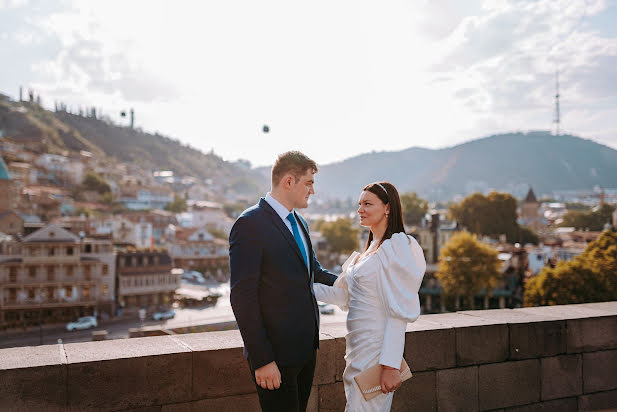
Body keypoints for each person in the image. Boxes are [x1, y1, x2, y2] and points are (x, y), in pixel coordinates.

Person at [229, 151, 338, 412]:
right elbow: (242, 298)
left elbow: (314, 272)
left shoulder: (299, 222)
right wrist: (262, 360)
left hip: (305, 353)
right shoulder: (249, 224)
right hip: (275, 357)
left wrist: (355, 283)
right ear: (289, 181)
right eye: (309, 183)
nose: (312, 191)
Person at [314, 182, 426, 411]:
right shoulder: (367, 251)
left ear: (387, 208)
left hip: (376, 350)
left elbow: (399, 311)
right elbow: (346, 297)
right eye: (359, 204)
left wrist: (390, 366)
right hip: (357, 346)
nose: (360, 209)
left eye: (367, 204)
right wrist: (302, 287)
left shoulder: (398, 247)